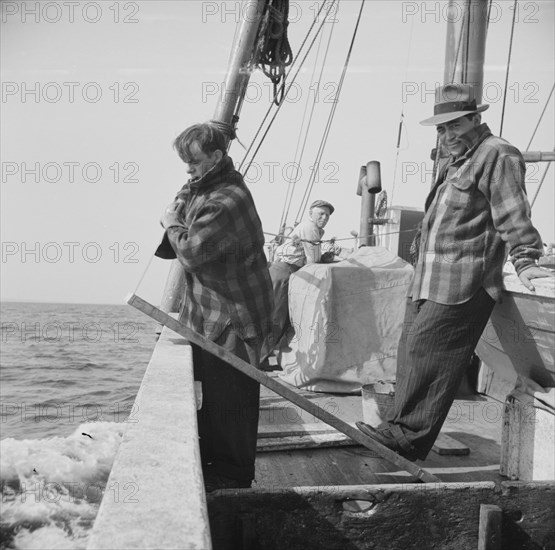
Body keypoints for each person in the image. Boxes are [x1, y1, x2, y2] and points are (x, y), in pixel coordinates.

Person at [356, 83, 554, 462]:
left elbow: (512, 213)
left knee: (432, 357)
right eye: (441, 128)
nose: (447, 135)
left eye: (454, 126)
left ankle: (409, 439)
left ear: (475, 119)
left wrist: (526, 260)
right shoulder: (454, 158)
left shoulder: (497, 154)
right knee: (413, 352)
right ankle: (395, 428)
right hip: (429, 280)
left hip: (464, 281)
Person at [156, 122, 273, 491]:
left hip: (235, 316)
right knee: (216, 397)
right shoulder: (206, 186)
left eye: (194, 162)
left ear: (217, 158)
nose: (188, 170)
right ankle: (216, 466)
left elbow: (191, 251)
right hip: (211, 310)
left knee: (231, 401)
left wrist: (172, 220)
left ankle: (233, 479)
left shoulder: (227, 199)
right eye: (185, 163)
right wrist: (181, 205)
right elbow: (187, 201)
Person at [261, 200, 339, 364]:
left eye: (327, 215)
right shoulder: (310, 228)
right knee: (276, 318)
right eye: (321, 214)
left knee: (279, 319)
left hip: (284, 273)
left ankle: (262, 358)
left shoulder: (312, 229)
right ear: (311, 214)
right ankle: (258, 360)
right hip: (284, 274)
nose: (324, 218)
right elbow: (313, 262)